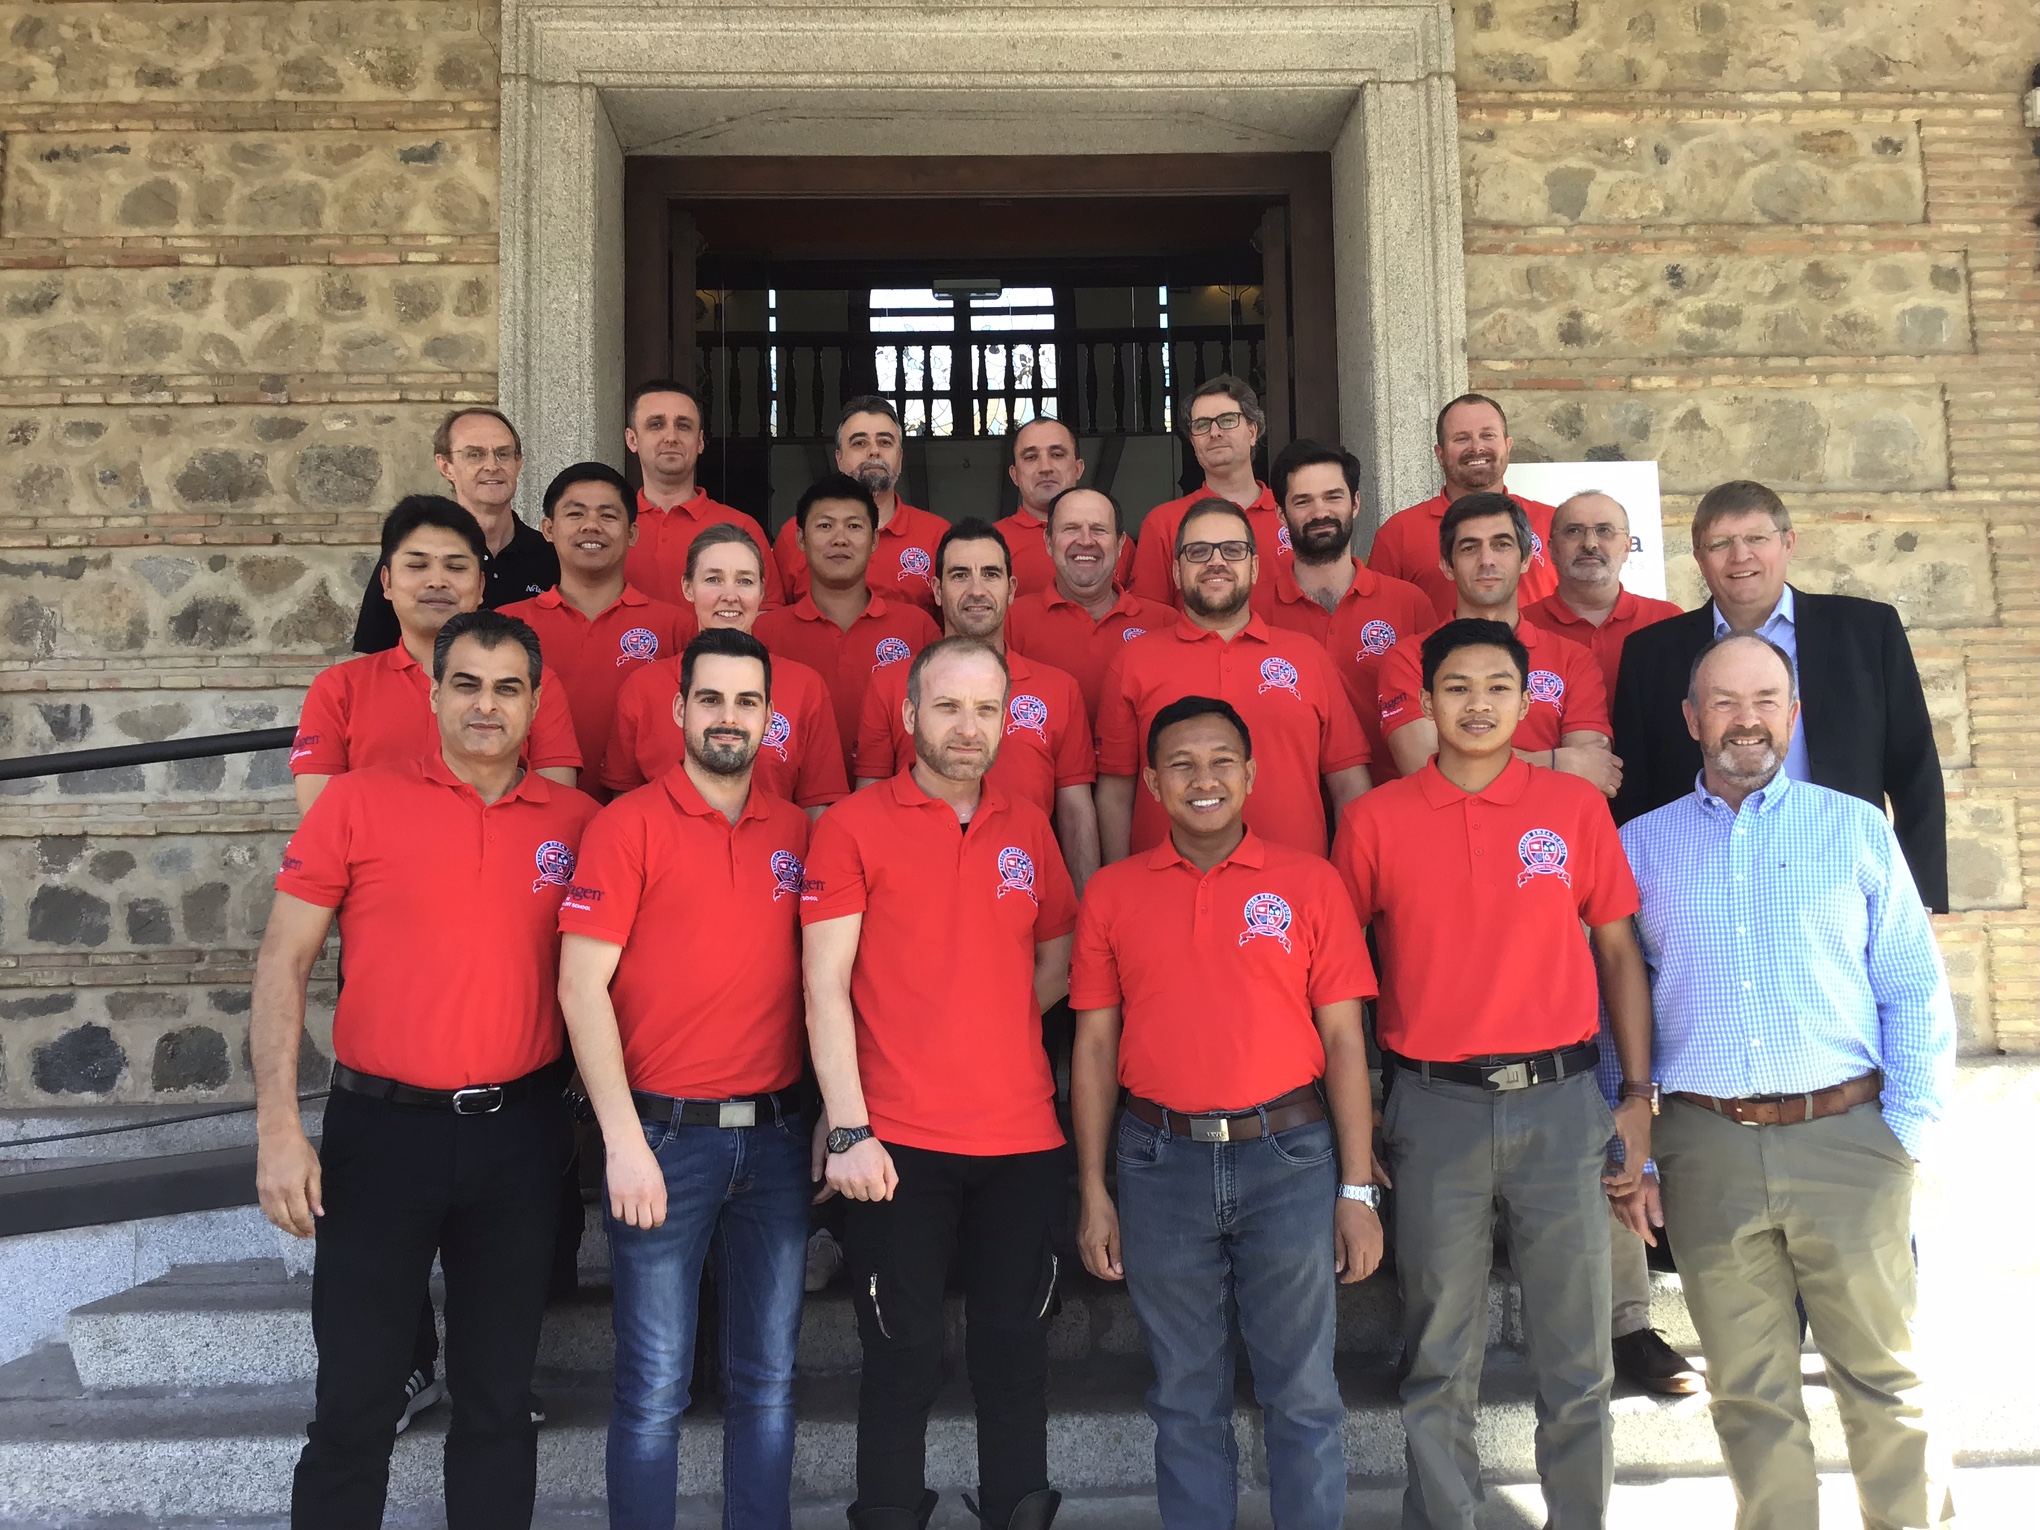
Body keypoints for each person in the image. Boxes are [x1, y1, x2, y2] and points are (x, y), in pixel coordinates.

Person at [252, 610, 599, 1530]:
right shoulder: (357, 803)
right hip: (380, 1138)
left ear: (535, 702)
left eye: (510, 687)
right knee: (356, 1403)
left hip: (521, 1144)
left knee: (495, 1403)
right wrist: (279, 1129)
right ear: (436, 693)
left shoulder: (580, 823)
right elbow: (282, 961)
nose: (488, 704)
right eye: (469, 684)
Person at [1619, 631, 1957, 1530]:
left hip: (1849, 1137)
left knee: (1885, 1379)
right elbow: (1620, 1009)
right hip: (1706, 1147)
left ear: (1793, 713)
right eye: (1724, 703)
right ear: (1692, 721)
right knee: (1747, 1391)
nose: (1746, 720)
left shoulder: (1854, 826)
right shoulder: (1637, 848)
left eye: (1766, 700)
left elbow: (1915, 989)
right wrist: (1636, 1153)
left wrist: (1905, 1137)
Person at [1332, 618, 1654, 1530]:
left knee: (1578, 1356)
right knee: (1439, 1355)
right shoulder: (1375, 820)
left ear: (1527, 701)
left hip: (1562, 1105)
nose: (1478, 705)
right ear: (1427, 703)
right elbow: (1335, 982)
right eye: (1458, 688)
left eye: (1498, 688)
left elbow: (1619, 950)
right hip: (1433, 1107)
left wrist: (1637, 1094)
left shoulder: (1573, 811)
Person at [1071, 696, 1383, 1530]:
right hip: (1157, 1160)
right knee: (1183, 1394)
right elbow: (1095, 1050)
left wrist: (1359, 1188)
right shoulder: (1110, 893)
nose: (1202, 780)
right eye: (1180, 764)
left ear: (1250, 774)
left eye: (1220, 762)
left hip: (1289, 1156)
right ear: (1149, 781)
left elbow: (1346, 1043)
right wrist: (1094, 1189)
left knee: (1303, 1391)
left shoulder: (1311, 884)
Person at [802, 636, 1078, 1530]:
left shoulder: (1027, 825)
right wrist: (847, 1126)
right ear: (910, 714)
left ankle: (1018, 1513)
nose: (969, 727)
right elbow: (823, 982)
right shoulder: (851, 824)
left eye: (987, 709)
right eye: (949, 707)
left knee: (1014, 1351)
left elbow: (1057, 955)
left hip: (1022, 1140)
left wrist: (981, 1012)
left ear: (1008, 719)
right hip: (896, 1144)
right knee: (903, 1353)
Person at [557, 627, 817, 1530]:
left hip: (780, 1139)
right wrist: (622, 1143)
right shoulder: (623, 827)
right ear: (679, 710)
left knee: (770, 1384)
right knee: (654, 1388)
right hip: (663, 1140)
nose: (728, 718)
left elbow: (825, 983)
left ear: (770, 719)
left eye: (748, 702)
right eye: (711, 699)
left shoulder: (798, 830)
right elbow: (578, 984)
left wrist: (828, 1115)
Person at [1611, 478, 1948, 911]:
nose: (1740, 556)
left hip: (1842, 876)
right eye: (1720, 544)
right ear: (1698, 557)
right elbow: (1635, 790)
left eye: (1756, 538)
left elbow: (1914, 768)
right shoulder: (1651, 652)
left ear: (1788, 542)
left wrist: (1918, 900)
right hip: (1700, 885)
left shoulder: (1866, 631)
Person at [1098, 500, 1371, 862]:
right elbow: (1116, 794)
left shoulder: (1308, 657)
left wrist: (1346, 893)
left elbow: (1350, 785)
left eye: (1233, 550)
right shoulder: (1133, 661)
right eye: (1197, 551)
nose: (1216, 562)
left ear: (1255, 567)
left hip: (1292, 900)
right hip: (1162, 899)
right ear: (1177, 572)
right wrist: (1120, 896)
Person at [856, 518, 1100, 892]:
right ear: (937, 589)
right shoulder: (890, 685)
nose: (976, 590)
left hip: (1025, 890)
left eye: (990, 574)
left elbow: (1076, 813)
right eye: (959, 575)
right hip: (911, 893)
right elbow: (868, 801)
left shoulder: (1059, 689)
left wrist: (1084, 906)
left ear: (1011, 588)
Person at [295, 496, 581, 812]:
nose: (437, 581)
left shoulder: (530, 682)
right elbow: (320, 820)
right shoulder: (338, 689)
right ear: (387, 583)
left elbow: (555, 817)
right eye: (417, 565)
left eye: (456, 566)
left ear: (481, 584)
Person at [1374, 491, 1617, 795]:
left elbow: (1591, 777)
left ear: (1526, 559)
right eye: (1469, 547)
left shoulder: (1573, 659)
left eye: (1501, 545)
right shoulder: (1410, 659)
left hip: (1548, 836)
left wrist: (1466, 763)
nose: (1486, 560)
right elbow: (1424, 769)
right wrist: (1557, 761)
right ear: (1447, 566)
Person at [604, 524, 847, 816]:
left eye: (744, 581)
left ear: (762, 590)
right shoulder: (642, 687)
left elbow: (816, 808)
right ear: (687, 588)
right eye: (713, 579)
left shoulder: (805, 686)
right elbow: (624, 804)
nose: (729, 595)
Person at [501, 462, 691, 785]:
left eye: (608, 515)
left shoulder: (677, 626)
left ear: (632, 533)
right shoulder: (506, 625)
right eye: (575, 514)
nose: (591, 526)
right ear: (548, 529)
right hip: (533, 817)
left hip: (644, 816)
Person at [1259, 438, 1433, 780]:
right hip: (1293, 806)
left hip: (1394, 799)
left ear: (1355, 503)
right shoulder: (1253, 609)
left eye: (1332, 497)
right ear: (1281, 514)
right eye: (1303, 501)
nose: (1320, 512)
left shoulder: (1409, 603)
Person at [753, 474, 940, 779]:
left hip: (893, 806)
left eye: (854, 526)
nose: (839, 538)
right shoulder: (766, 633)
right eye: (825, 526)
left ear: (875, 539)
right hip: (789, 807)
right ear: (800, 539)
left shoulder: (917, 628)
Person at [350, 408, 557, 653]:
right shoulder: (411, 556)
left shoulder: (551, 556)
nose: (492, 465)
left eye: (503, 454)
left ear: (518, 463)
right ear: (446, 466)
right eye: (475, 455)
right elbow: (375, 655)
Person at [1366, 393, 1558, 620]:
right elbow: (1380, 623)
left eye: (1488, 435)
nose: (1476, 447)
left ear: (1508, 446)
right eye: (1461, 438)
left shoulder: (1554, 523)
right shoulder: (1399, 533)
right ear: (1440, 454)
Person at [1006, 487, 1175, 721]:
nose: (1085, 541)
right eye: (1071, 529)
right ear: (1048, 542)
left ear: (1120, 544)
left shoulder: (1165, 622)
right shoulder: (1011, 621)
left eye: (1098, 530)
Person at [773, 395, 948, 616]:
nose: (874, 451)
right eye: (859, 442)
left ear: (900, 457)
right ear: (839, 458)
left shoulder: (937, 534)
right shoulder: (796, 533)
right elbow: (777, 625)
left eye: (885, 442)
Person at [621, 378, 785, 609]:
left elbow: (767, 618)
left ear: (699, 442)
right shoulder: (611, 527)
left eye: (683, 425)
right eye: (656, 425)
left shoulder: (741, 527)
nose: (671, 437)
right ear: (632, 439)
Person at [1128, 376, 1286, 607]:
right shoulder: (1163, 523)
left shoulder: (1292, 513)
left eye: (1227, 420)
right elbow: (1151, 616)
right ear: (1193, 442)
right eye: (1202, 424)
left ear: (1253, 432)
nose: (1214, 432)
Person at [1520, 490, 1681, 696]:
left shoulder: (1667, 620)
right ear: (1551, 549)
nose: (1590, 544)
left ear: (1627, 547)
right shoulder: (1521, 626)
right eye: (1573, 531)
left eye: (1604, 530)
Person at [994, 417, 1135, 597]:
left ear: (1078, 468)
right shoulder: (992, 543)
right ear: (1014, 475)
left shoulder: (1113, 541)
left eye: (1057, 455)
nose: (1045, 468)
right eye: (1031, 457)